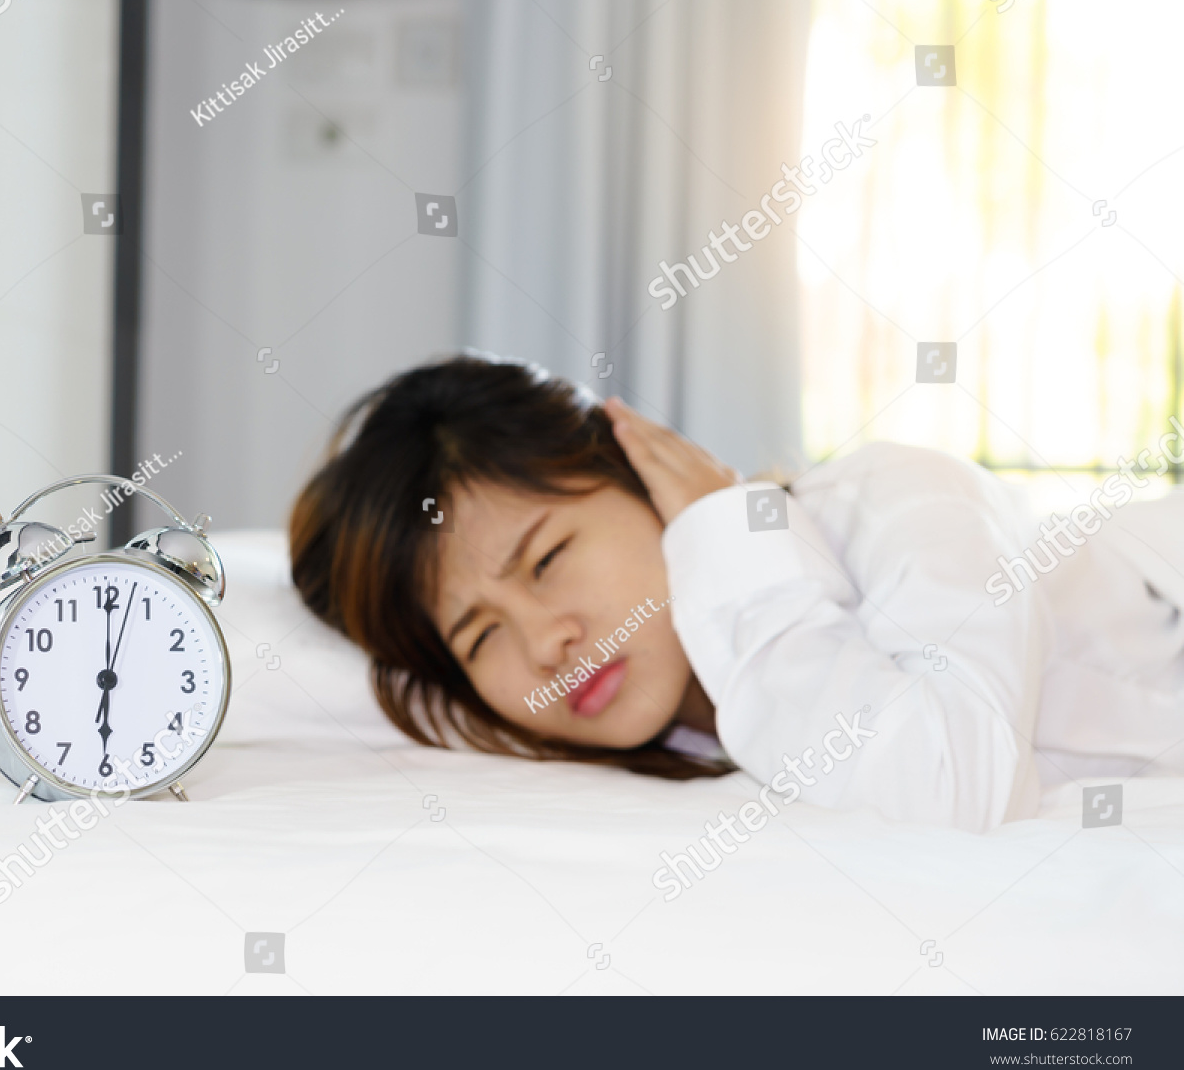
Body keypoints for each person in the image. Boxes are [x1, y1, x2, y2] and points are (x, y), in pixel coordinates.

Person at [289, 355, 1184, 831]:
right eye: (479, 637)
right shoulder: (669, 742)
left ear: (641, 465)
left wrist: (731, 541)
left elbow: (956, 788)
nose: (545, 642)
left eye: (547, 557)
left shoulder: (902, 499)